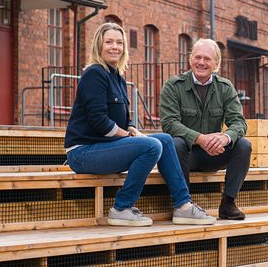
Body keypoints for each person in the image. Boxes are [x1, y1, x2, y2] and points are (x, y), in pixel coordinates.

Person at [64, 22, 215, 227]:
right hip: (83, 153)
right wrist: (127, 136)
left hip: (105, 147)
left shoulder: (116, 75)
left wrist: (132, 127)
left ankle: (183, 205)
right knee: (151, 146)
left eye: (119, 42)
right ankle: (121, 208)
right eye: (109, 42)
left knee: (165, 139)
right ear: (99, 44)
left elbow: (122, 116)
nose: (114, 47)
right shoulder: (95, 73)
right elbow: (99, 121)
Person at [160, 39, 251, 220]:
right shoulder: (173, 86)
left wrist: (225, 138)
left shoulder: (225, 87)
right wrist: (200, 138)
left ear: (216, 64)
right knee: (175, 143)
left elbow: (239, 123)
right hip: (185, 155)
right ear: (190, 59)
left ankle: (228, 204)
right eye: (197, 57)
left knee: (243, 145)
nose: (201, 62)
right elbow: (169, 123)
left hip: (213, 154)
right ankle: (183, 203)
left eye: (207, 59)